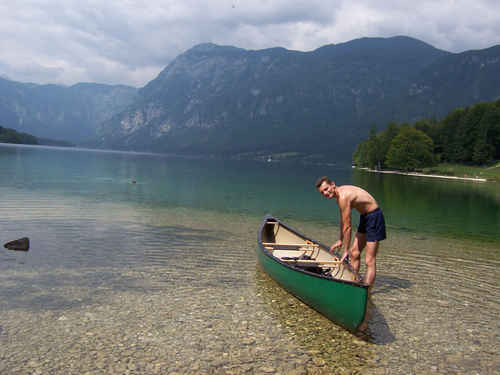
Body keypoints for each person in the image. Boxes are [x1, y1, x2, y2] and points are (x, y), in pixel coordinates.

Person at [315, 176, 386, 287]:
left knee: (369, 260)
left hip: (374, 217)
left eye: (326, 189)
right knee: (354, 253)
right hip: (365, 217)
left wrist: (345, 250)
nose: (325, 193)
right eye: (322, 192)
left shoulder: (343, 196)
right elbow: (343, 221)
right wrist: (340, 240)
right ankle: (353, 284)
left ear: (333, 184)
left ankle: (367, 292)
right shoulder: (339, 196)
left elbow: (348, 227)